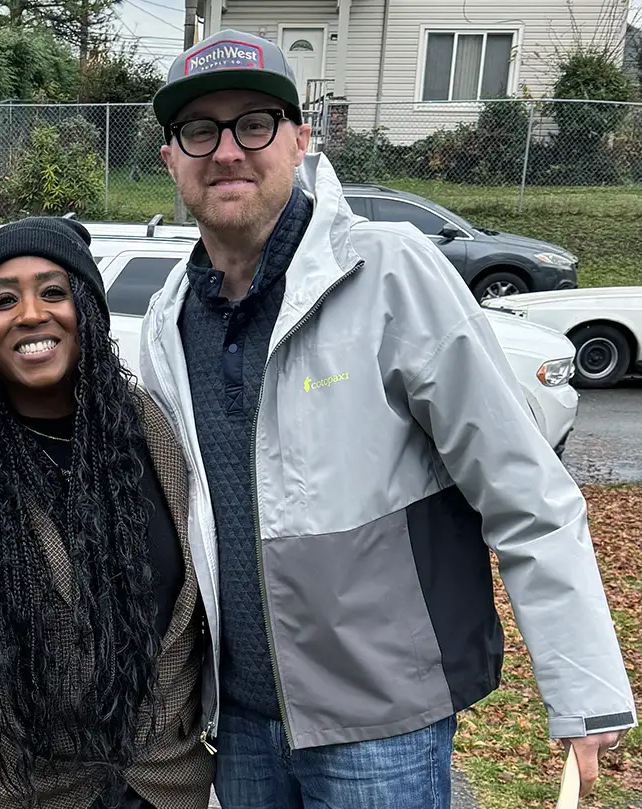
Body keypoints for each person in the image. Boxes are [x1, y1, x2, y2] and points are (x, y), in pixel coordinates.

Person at [138, 28, 636, 809]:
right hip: (240, 725)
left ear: (301, 139)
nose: (227, 149)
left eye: (255, 124)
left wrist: (584, 688)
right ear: (171, 157)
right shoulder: (167, 321)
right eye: (199, 129)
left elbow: (521, 487)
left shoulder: (389, 272)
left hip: (384, 727)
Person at [0, 216, 215, 809]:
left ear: (87, 312)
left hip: (166, 786)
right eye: (3, 300)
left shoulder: (156, 432)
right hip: (30, 793)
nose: (30, 314)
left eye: (53, 292)